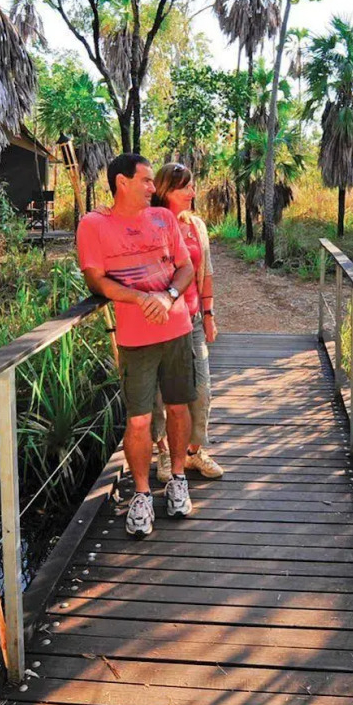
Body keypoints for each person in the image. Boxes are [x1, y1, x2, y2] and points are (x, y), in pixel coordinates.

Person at [75, 153, 197, 537]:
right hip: (136, 338)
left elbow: (186, 266)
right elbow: (97, 282)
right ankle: (142, 494)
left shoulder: (163, 218)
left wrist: (168, 295)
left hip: (177, 328)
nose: (152, 187)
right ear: (121, 182)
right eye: (145, 180)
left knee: (179, 408)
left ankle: (177, 478)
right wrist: (138, 298)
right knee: (139, 419)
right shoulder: (94, 224)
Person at [148, 163, 224, 481]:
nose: (193, 193)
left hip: (191, 320)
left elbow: (205, 273)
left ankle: (193, 452)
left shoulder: (197, 226)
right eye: (185, 188)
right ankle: (165, 452)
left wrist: (208, 315)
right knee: (159, 393)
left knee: (202, 389)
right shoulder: (149, 224)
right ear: (166, 191)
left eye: (192, 186)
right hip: (157, 322)